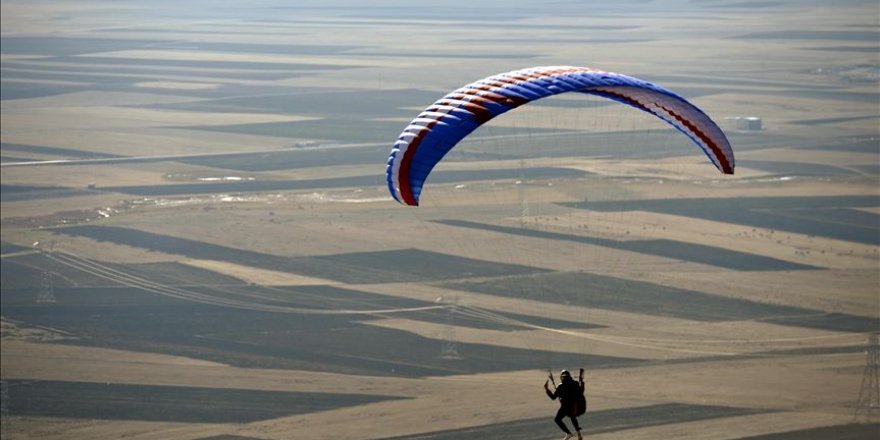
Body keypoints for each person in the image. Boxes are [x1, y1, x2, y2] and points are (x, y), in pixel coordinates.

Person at [544, 368, 586, 440]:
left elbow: (553, 397)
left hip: (565, 407)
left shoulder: (560, 386)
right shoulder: (574, 384)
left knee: (557, 419)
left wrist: (547, 389)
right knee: (572, 417)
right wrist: (581, 381)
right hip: (573, 406)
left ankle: (569, 433)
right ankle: (578, 433)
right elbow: (581, 391)